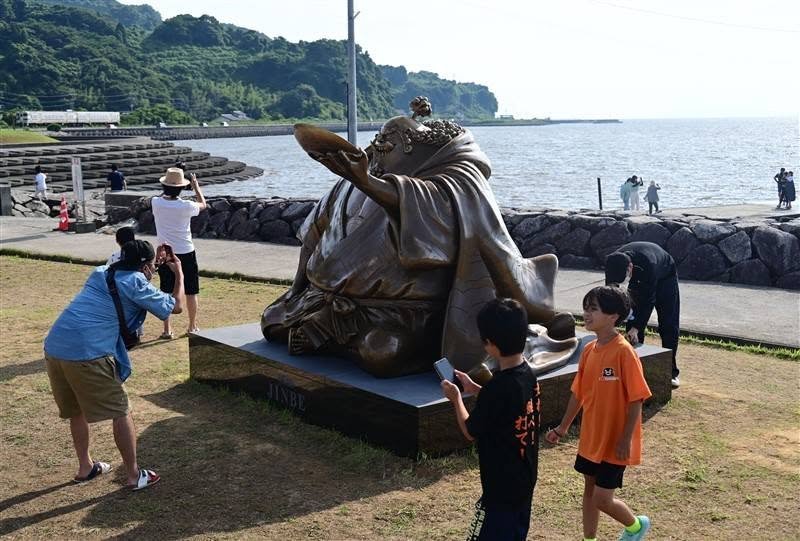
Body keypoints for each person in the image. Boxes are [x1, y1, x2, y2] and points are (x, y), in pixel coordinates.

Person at [262, 97, 562, 379]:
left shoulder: (448, 183)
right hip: (327, 300)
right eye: (377, 143)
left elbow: (419, 200)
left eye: (387, 146)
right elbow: (313, 239)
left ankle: (330, 335)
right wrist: (296, 291)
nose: (377, 151)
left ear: (410, 150)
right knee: (272, 319)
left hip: (400, 313)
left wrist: (366, 181)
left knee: (381, 352)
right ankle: (327, 330)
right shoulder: (347, 185)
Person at [43, 240, 185, 490]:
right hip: (88, 352)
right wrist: (179, 273)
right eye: (151, 265)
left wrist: (152, 266)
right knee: (121, 411)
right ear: (144, 267)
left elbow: (127, 281)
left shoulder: (101, 272)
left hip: (56, 346)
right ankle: (133, 475)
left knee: (76, 410)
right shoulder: (137, 282)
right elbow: (177, 306)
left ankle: (85, 467)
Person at [546, 286, 652, 541]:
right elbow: (578, 394)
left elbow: (636, 399)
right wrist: (562, 428)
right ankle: (589, 538)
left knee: (603, 499)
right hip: (591, 438)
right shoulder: (589, 350)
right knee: (589, 491)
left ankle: (636, 526)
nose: (587, 314)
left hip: (615, 442)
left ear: (613, 316)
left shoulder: (624, 352)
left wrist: (625, 439)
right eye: (586, 308)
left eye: (593, 309)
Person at [442, 298, 540, 541]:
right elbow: (507, 406)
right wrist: (474, 388)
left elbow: (470, 430)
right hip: (524, 477)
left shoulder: (498, 387)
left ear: (490, 344)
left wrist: (456, 398)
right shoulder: (527, 374)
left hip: (500, 487)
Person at [605, 241, 681, 388]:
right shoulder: (613, 261)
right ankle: (633, 368)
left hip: (665, 274)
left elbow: (648, 301)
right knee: (632, 322)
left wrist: (637, 327)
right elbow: (610, 293)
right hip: (639, 273)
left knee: (668, 322)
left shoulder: (648, 264)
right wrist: (610, 322)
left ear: (630, 268)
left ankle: (670, 372)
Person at [151, 166, 207, 338]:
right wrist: (196, 187)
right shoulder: (186, 206)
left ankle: (167, 329)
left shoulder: (156, 202)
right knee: (191, 290)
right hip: (186, 250)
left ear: (164, 186)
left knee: (166, 290)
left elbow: (163, 196)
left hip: (165, 251)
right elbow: (203, 204)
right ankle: (192, 326)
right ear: (182, 188)